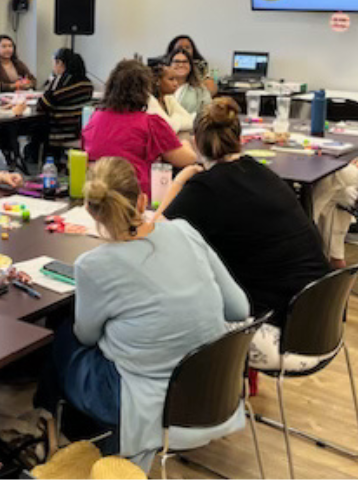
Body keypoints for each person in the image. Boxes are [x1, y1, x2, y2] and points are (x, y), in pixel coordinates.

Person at [41, 156, 249, 471]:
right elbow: (239, 308)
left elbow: (86, 336)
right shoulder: (184, 231)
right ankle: (68, 434)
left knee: (60, 333)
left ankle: (52, 431)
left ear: (90, 210)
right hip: (215, 390)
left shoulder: (94, 265)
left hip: (148, 406)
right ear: (141, 200)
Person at [155, 98, 331, 370]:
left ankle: (204, 402)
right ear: (239, 139)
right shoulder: (263, 172)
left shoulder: (205, 188)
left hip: (278, 334)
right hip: (320, 325)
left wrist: (179, 181)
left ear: (195, 142)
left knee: (176, 315)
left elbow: (154, 237)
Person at [82, 59, 196, 195]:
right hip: (134, 196)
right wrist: (185, 143)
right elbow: (186, 159)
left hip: (97, 194)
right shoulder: (150, 123)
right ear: (145, 91)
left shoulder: (94, 118)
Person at [25, 49, 94, 163]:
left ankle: (34, 157)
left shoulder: (61, 81)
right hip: (78, 130)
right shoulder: (87, 83)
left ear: (60, 63)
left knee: (33, 126)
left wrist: (51, 83)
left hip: (59, 131)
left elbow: (42, 105)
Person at [146, 62, 193, 138]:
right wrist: (178, 118)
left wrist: (174, 120)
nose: (176, 83)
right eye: (171, 79)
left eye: (176, 79)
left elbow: (190, 121)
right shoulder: (149, 100)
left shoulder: (168, 98)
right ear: (157, 81)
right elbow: (167, 129)